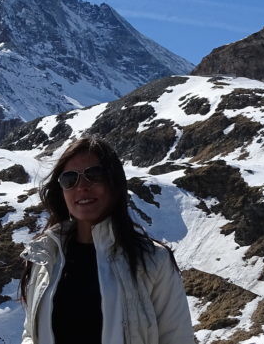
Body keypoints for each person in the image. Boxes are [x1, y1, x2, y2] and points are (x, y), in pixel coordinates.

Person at [20, 137, 195, 344]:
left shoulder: (153, 261)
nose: (82, 186)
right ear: (62, 190)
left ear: (114, 183)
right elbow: (31, 334)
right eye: (69, 179)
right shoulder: (45, 256)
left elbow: (177, 339)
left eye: (94, 175)